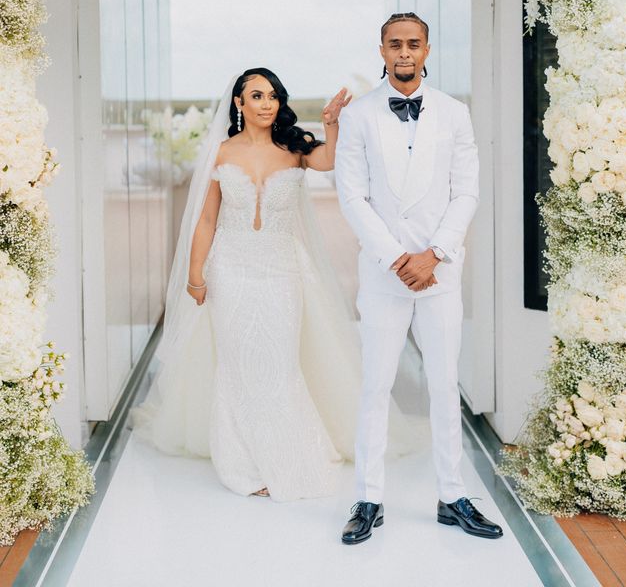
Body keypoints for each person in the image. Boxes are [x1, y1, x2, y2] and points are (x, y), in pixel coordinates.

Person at [132, 67, 419, 502]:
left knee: (280, 363)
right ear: (239, 104)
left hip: (281, 269)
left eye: (273, 96)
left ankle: (289, 454)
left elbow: (330, 161)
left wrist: (331, 124)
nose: (267, 103)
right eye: (257, 96)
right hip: (230, 268)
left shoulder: (295, 147)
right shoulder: (221, 153)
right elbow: (206, 219)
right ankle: (242, 463)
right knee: (238, 363)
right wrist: (196, 274)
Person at [336, 12, 503, 543]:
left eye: (413, 44)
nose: (404, 53)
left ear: (428, 49)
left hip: (439, 274)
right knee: (375, 386)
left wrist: (434, 255)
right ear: (381, 50)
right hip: (385, 275)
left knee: (442, 384)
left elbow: (467, 192)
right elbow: (352, 195)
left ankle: (453, 496)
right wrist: (397, 258)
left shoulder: (455, 113)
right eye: (394, 44)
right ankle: (369, 498)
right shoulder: (359, 115)